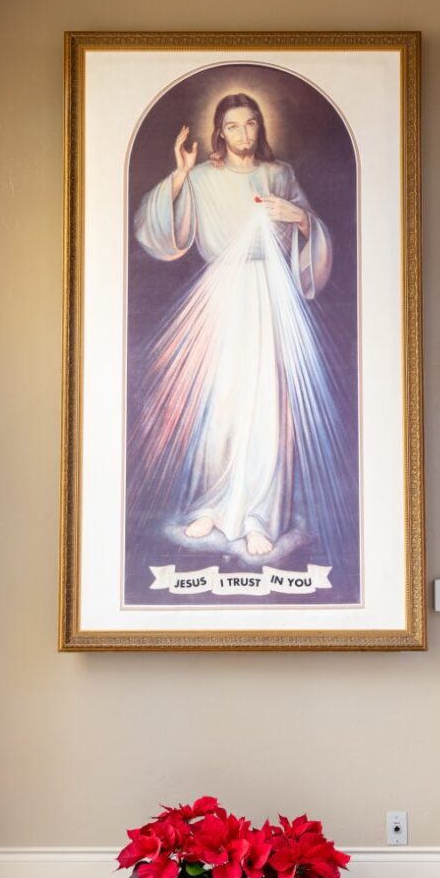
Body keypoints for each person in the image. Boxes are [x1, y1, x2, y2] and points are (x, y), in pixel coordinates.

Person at [133, 93, 334, 559]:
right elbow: (163, 233)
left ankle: (259, 515)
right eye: (233, 126)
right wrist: (180, 175)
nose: (244, 134)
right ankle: (214, 505)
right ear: (219, 131)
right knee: (221, 401)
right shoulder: (202, 177)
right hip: (221, 294)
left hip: (270, 293)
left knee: (266, 402)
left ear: (259, 128)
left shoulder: (278, 174)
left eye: (251, 124)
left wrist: (300, 218)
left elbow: (311, 231)